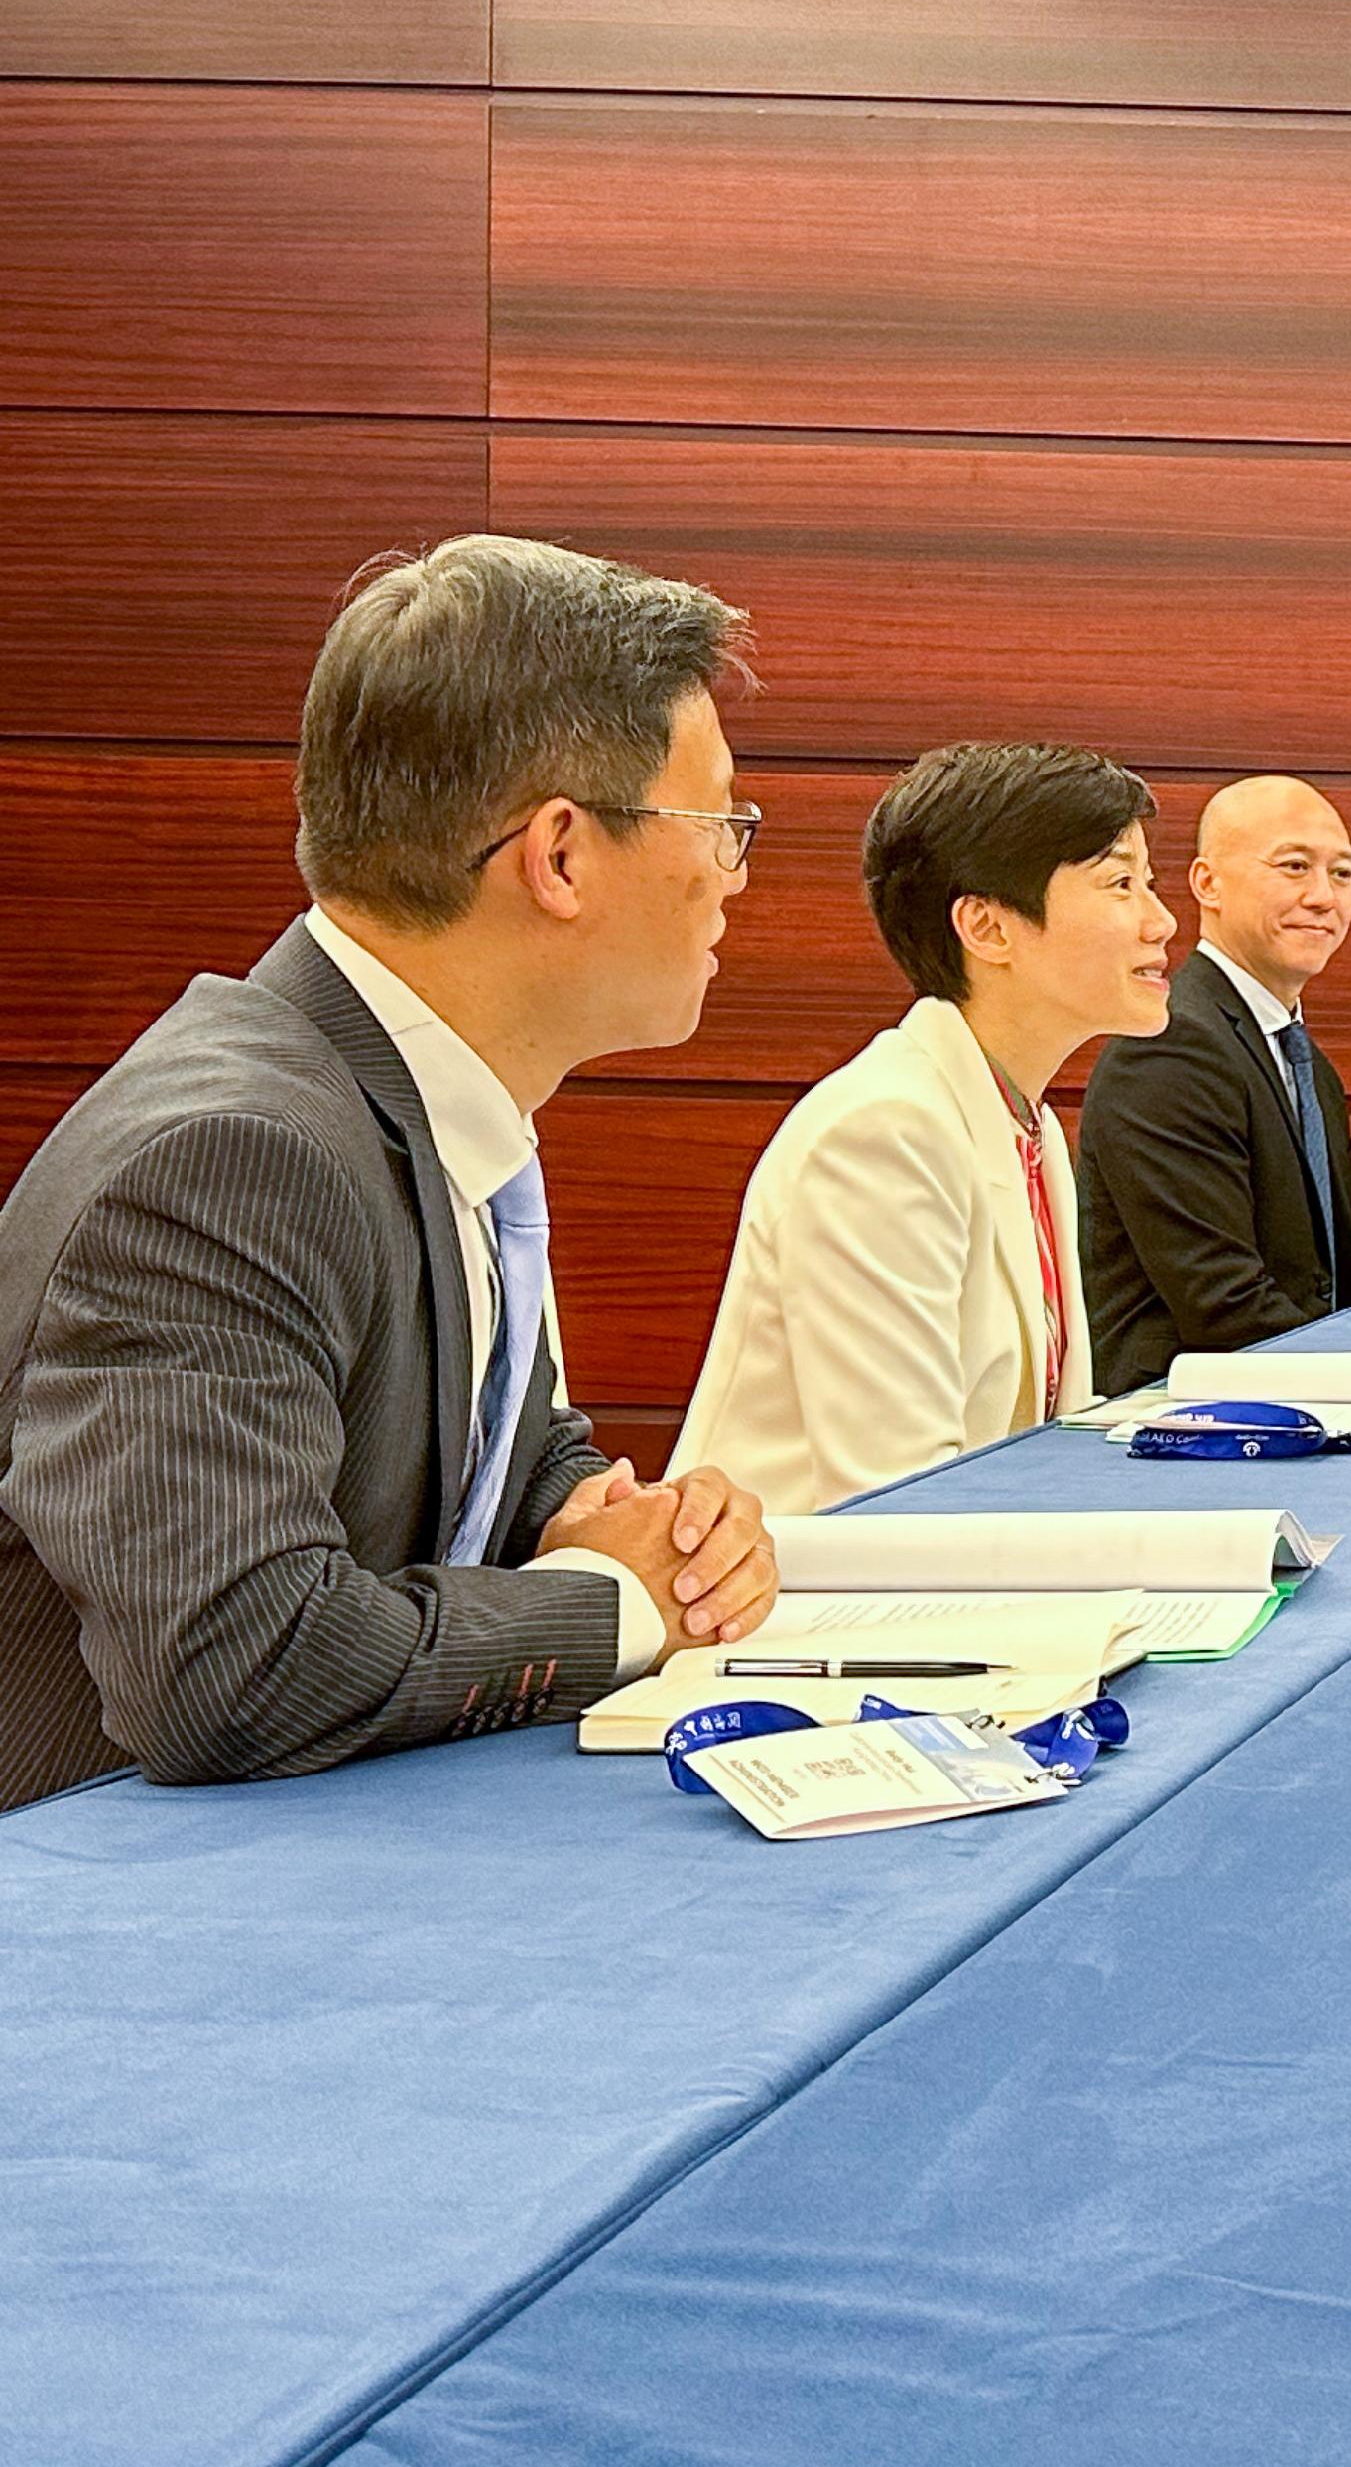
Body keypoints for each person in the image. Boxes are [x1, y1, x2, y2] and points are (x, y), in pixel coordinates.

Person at [0, 537, 781, 1811]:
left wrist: (634, 1522)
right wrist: (613, 1605)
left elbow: (475, 1456)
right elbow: (230, 1664)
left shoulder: (406, 1094)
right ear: (563, 856)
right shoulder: (234, 1156)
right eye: (721, 825)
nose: (734, 878)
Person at [675, 743, 1176, 1515]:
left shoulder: (1026, 1123)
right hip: (804, 1610)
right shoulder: (883, 1132)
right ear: (987, 926)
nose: (1161, 920)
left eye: (1148, 882)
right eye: (1120, 883)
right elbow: (897, 1498)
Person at [1080, 774, 1351, 1394]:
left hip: (1289, 1390)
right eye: (1294, 866)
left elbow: (1343, 1284)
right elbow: (1223, 1307)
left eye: (1343, 873)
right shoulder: (1169, 1047)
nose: (1324, 896)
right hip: (1183, 1423)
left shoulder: (1303, 1059)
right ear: (1206, 883)